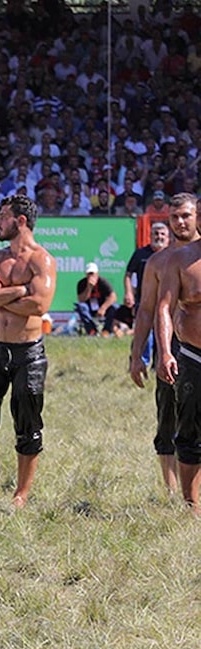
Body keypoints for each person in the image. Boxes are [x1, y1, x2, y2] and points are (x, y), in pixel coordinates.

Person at [0, 195, 57, 508]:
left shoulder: (42, 260)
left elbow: (39, 305)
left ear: (20, 221)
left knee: (28, 422)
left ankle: (21, 494)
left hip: (28, 353)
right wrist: (18, 290)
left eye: (2, 216)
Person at [129, 194, 199, 497]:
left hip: (184, 347)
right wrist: (137, 356)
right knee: (170, 417)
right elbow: (149, 310)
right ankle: (174, 491)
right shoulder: (160, 261)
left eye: (185, 215)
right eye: (174, 217)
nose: (180, 222)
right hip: (173, 349)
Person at [74, 262, 120, 336]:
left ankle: (106, 330)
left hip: (102, 306)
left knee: (115, 307)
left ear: (97, 274)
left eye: (93, 273)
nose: (91, 276)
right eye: (89, 274)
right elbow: (81, 300)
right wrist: (89, 288)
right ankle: (92, 330)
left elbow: (113, 296)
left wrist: (103, 308)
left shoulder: (103, 282)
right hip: (89, 308)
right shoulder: (81, 283)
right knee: (81, 307)